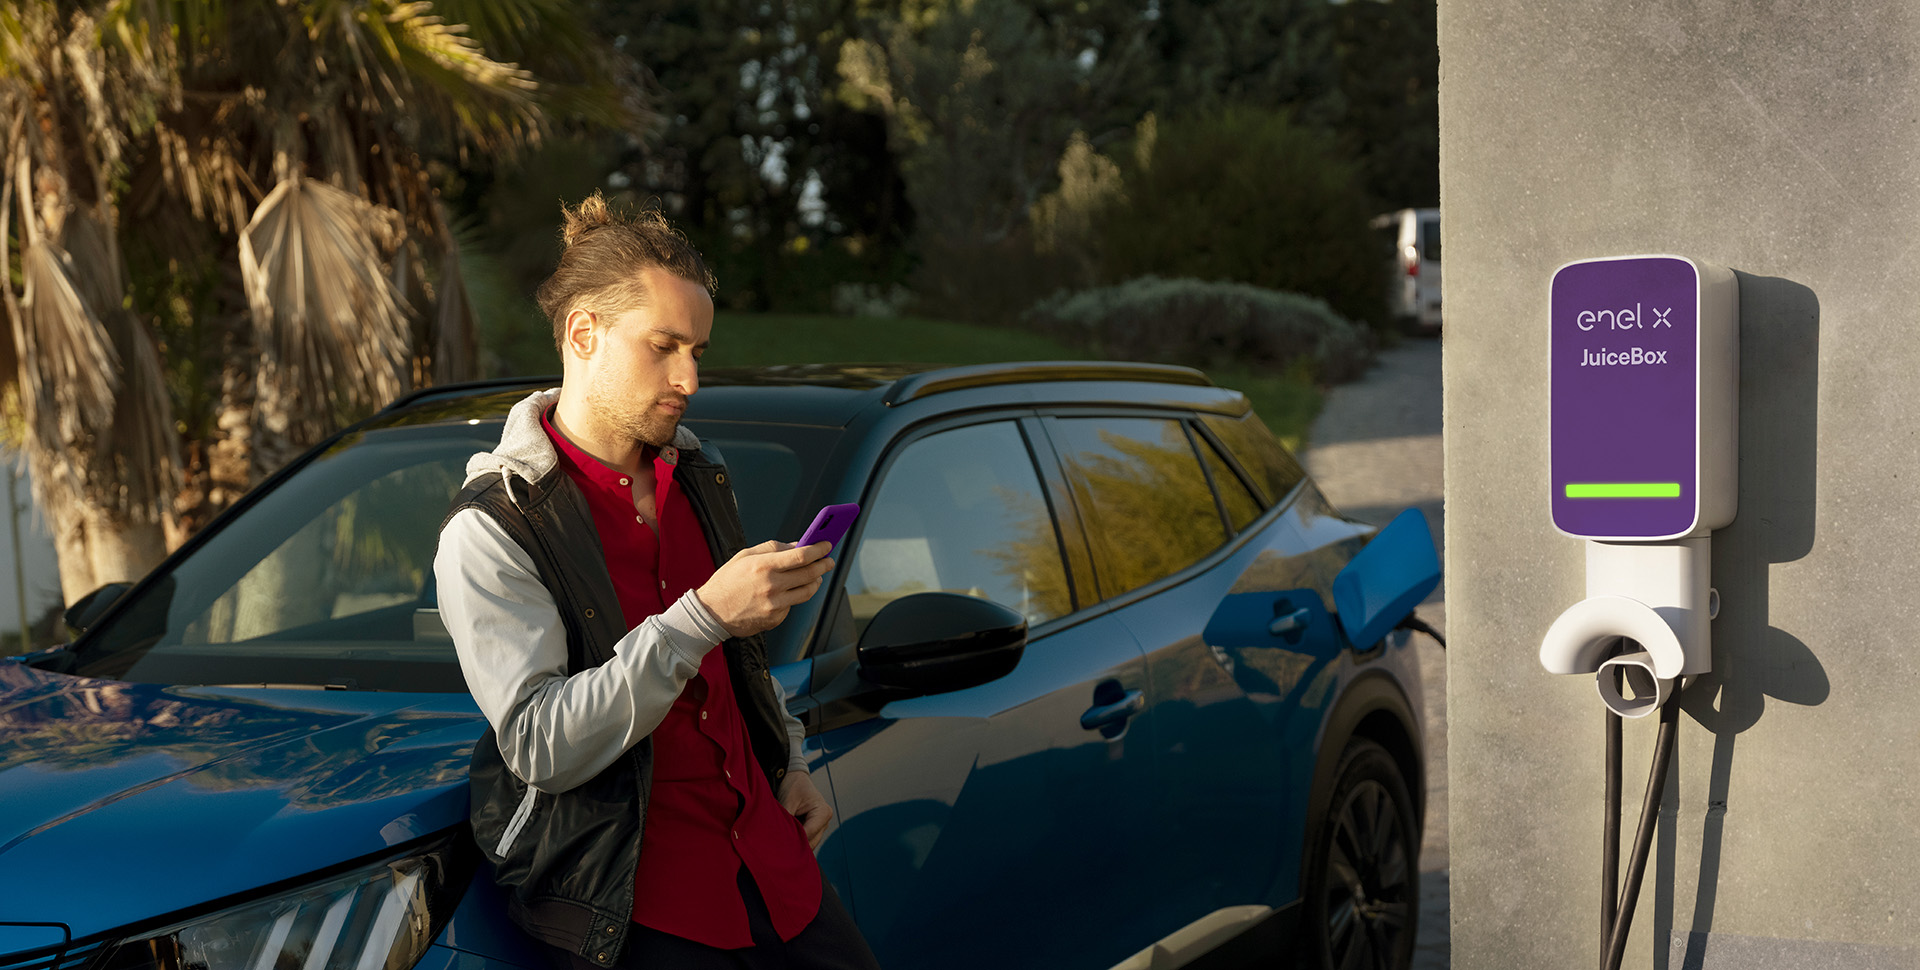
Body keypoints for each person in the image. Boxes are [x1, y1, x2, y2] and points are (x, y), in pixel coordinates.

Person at [433, 192, 882, 970]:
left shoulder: (699, 473)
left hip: (776, 869)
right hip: (644, 908)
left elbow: (736, 667)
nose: (689, 378)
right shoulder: (493, 528)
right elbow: (541, 745)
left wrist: (790, 764)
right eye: (665, 346)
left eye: (698, 351)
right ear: (584, 333)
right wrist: (702, 614)